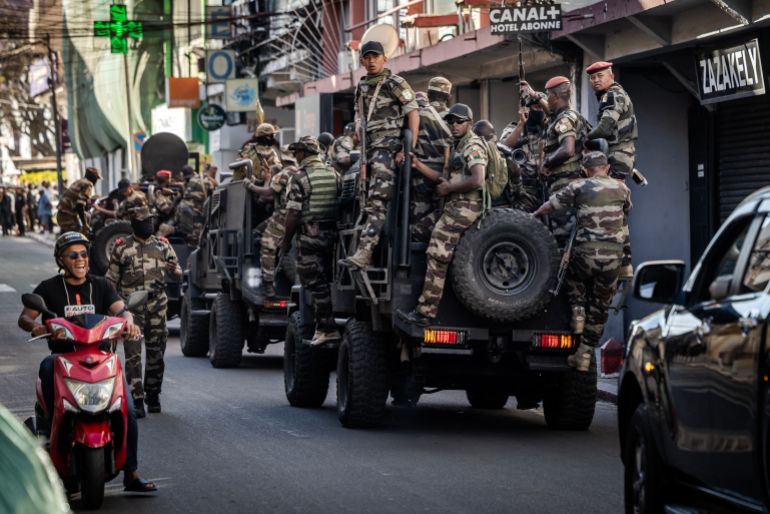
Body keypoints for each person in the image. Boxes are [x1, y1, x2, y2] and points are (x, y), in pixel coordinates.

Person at [17, 232, 156, 492]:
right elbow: (25, 317)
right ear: (61, 260)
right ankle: (49, 430)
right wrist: (35, 326)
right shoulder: (48, 288)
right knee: (46, 365)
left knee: (127, 409)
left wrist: (129, 322)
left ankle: (131, 472)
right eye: (73, 255)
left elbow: (121, 310)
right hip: (63, 358)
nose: (80, 259)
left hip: (101, 358)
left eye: (83, 254)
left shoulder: (101, 286)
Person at [533, 151, 631, 372]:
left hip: (585, 255)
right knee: (600, 308)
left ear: (586, 170)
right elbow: (626, 215)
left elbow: (551, 205)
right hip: (612, 260)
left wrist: (534, 215)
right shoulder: (622, 188)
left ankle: (577, 311)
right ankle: (584, 355)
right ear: (606, 168)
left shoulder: (578, 186)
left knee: (569, 271)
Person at [398, 103, 485, 326]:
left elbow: (477, 179)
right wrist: (418, 165)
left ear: (470, 124)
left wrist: (449, 189)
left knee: (437, 250)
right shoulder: (456, 145)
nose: (454, 125)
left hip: (467, 205)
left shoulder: (472, 145)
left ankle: (426, 312)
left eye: (459, 122)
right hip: (454, 204)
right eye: (450, 121)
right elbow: (442, 179)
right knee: (419, 231)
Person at [339, 40, 419, 269]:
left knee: (377, 201)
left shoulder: (395, 83)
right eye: (367, 57)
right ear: (362, 61)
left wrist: (407, 149)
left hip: (387, 147)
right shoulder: (362, 86)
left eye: (375, 56)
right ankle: (369, 255)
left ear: (385, 58)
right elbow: (359, 112)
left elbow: (413, 113)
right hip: (368, 148)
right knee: (364, 200)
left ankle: (365, 253)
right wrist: (358, 123)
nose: (372, 61)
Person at [106, 207, 182, 415]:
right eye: (143, 221)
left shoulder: (162, 245)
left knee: (157, 352)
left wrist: (174, 270)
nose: (148, 224)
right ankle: (136, 399)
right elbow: (111, 281)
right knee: (133, 355)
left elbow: (178, 272)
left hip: (157, 306)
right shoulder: (122, 247)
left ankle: (153, 394)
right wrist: (112, 309)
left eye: (150, 220)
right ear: (134, 224)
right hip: (131, 309)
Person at [283, 136, 341, 344]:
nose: (295, 156)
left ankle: (327, 328)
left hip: (310, 237)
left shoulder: (299, 177)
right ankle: (324, 325)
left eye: (297, 152)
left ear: (303, 153)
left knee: (314, 282)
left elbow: (293, 213)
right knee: (329, 280)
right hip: (334, 237)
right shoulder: (334, 174)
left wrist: (286, 241)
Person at [585, 61, 638, 279]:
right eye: (592, 77)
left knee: (613, 209)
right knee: (616, 208)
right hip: (619, 155)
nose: (596, 80)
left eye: (600, 76)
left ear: (611, 76)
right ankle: (623, 262)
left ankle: (624, 261)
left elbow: (605, 128)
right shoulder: (611, 95)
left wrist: (584, 139)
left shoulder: (612, 95)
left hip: (617, 156)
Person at [532, 76, 589, 248]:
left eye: (548, 95)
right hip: (567, 182)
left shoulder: (564, 119)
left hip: (564, 182)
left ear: (556, 96)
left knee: (564, 235)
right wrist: (533, 95)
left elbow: (567, 149)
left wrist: (546, 164)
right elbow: (550, 113)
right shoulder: (568, 116)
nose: (547, 98)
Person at [244, 148, 299, 298]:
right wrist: (268, 177)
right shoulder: (300, 171)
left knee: (267, 245)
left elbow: (267, 194)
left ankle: (268, 284)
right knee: (257, 232)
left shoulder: (285, 173)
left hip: (284, 215)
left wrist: (250, 186)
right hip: (294, 214)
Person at [410, 76, 453, 228]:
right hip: (446, 177)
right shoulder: (455, 119)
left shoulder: (417, 115)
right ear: (449, 97)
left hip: (420, 174)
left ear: (428, 94)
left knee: (418, 219)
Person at [500, 103, 547, 213]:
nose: (538, 110)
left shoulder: (549, 128)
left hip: (546, 185)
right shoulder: (514, 127)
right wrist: (521, 125)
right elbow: (503, 146)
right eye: (535, 107)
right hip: (523, 188)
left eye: (541, 107)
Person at [56, 167, 100, 234]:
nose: (96, 181)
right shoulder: (88, 184)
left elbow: (77, 201)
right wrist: (85, 224)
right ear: (93, 177)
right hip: (68, 216)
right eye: (96, 178)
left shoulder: (79, 181)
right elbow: (80, 206)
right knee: (79, 236)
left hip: (61, 214)